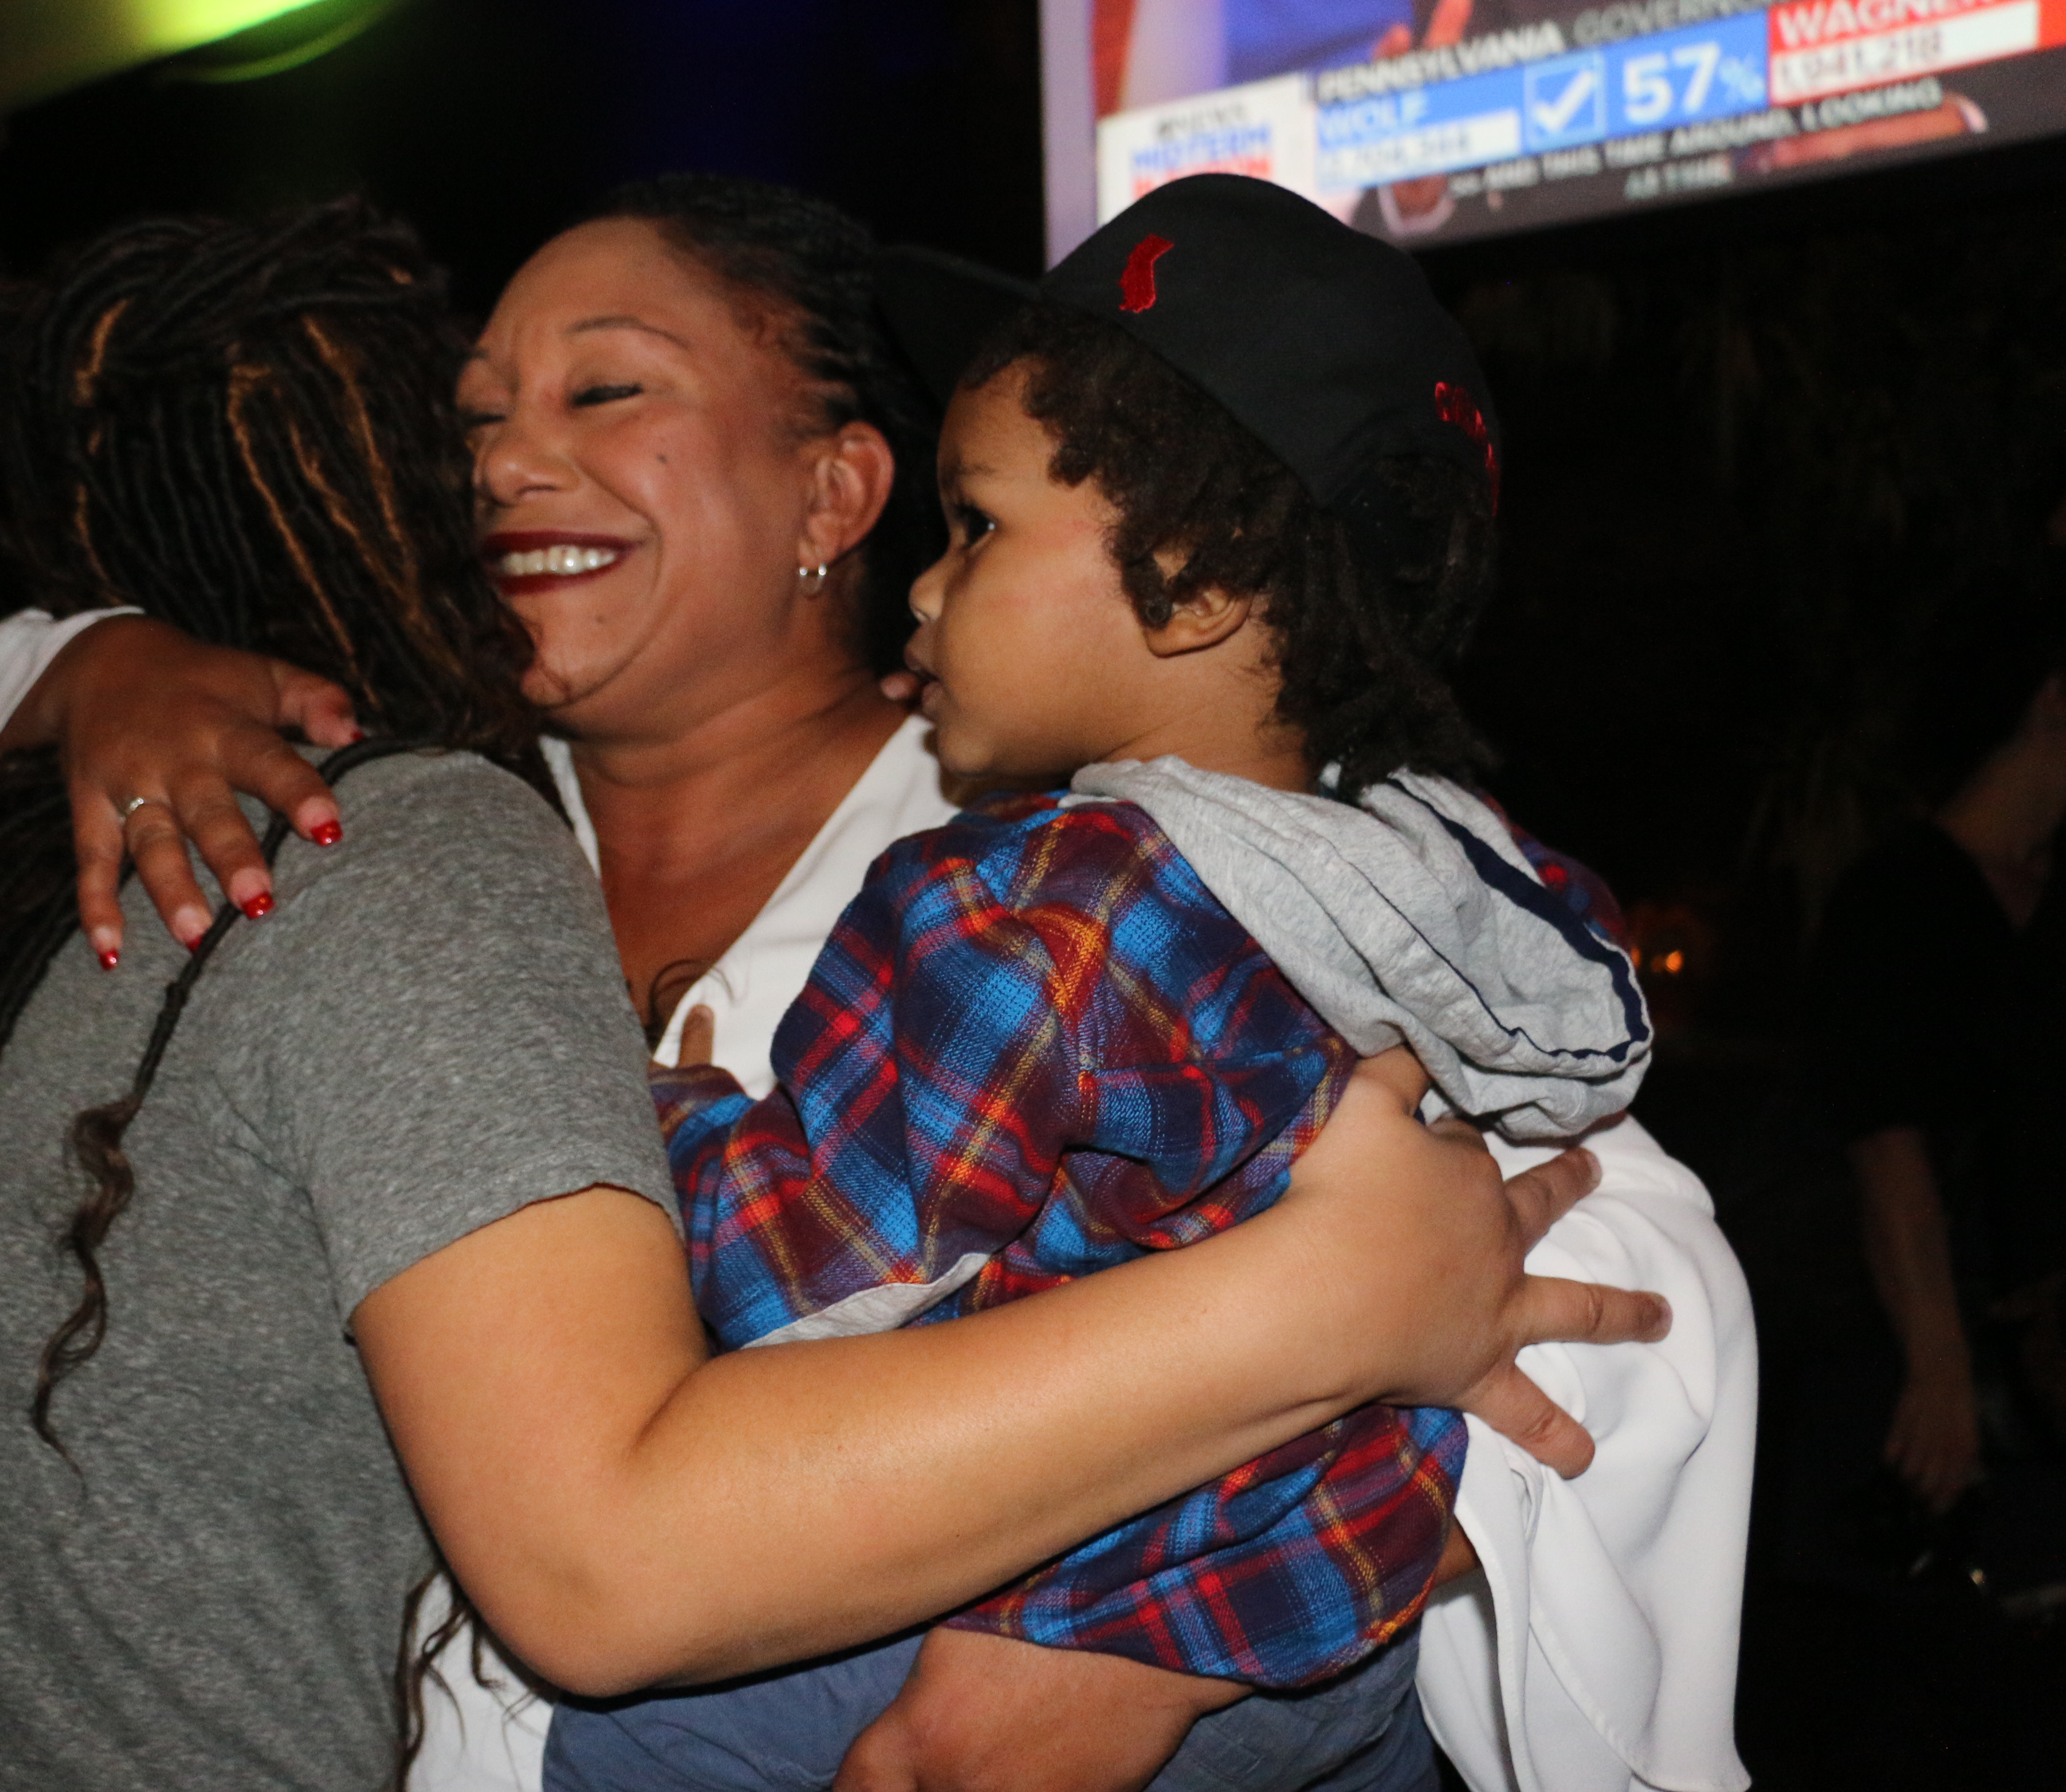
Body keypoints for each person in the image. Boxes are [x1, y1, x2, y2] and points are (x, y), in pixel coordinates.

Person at [0, 196, 1663, 1792]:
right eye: (474, 414)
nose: (504, 459)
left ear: (837, 491)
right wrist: (106, 661)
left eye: (604, 388)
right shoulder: (391, 811)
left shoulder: (1068, 854)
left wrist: (1162, 1646)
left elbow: (1582, 1266)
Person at [546, 174, 1656, 1792]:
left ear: (1193, 577)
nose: (927, 587)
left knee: (617, 1731)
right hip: (1323, 1625)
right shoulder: (1447, 879)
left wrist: (649, 1110)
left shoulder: (1028, 911)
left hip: (1036, 1610)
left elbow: (810, 1281)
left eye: (979, 526)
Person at [1808, 593, 2066, 1600]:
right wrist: (1941, 1369)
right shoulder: (1901, 897)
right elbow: (1887, 1142)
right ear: (2053, 701)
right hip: (1927, 1373)